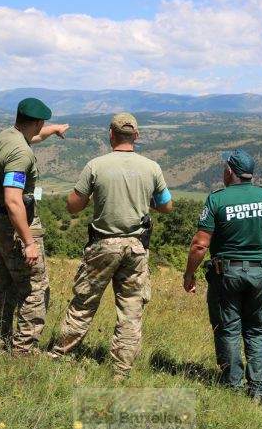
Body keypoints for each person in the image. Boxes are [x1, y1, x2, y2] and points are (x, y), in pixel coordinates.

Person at [49, 112, 173, 379]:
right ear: (136, 136)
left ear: (110, 134)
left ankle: (59, 356)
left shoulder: (95, 166)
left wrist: (95, 195)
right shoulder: (152, 168)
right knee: (131, 312)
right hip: (137, 247)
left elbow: (73, 206)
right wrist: (144, 200)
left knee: (84, 303)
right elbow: (166, 206)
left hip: (103, 245)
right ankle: (121, 372)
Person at [182, 150, 262, 404]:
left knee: (228, 329)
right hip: (261, 273)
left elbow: (200, 244)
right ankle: (259, 391)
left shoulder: (217, 200)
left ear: (229, 171)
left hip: (226, 274)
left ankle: (233, 388)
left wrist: (189, 274)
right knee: (256, 331)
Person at [0, 97, 69, 356]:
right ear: (37, 121)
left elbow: (31, 137)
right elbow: (13, 199)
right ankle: (24, 350)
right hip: (17, 224)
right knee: (34, 287)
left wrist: (52, 131)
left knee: (4, 280)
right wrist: (29, 242)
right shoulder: (21, 154)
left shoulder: (7, 136)